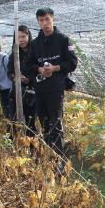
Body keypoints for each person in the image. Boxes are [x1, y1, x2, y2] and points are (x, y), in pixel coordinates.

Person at [30, 8, 77, 156]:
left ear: (53, 19)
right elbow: (28, 64)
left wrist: (55, 68)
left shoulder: (63, 40)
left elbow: (73, 62)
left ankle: (59, 159)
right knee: (44, 122)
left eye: (47, 20)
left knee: (56, 123)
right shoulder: (35, 44)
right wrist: (39, 69)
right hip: (40, 89)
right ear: (38, 22)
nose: (45, 23)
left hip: (56, 89)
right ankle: (49, 155)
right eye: (41, 20)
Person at [7, 25, 37, 133]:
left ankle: (31, 141)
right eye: (18, 37)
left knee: (30, 122)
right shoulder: (14, 55)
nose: (21, 40)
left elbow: (39, 71)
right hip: (16, 92)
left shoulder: (35, 53)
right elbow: (9, 72)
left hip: (32, 93)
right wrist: (15, 77)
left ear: (29, 36)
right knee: (13, 120)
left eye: (23, 36)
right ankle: (14, 140)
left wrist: (29, 79)